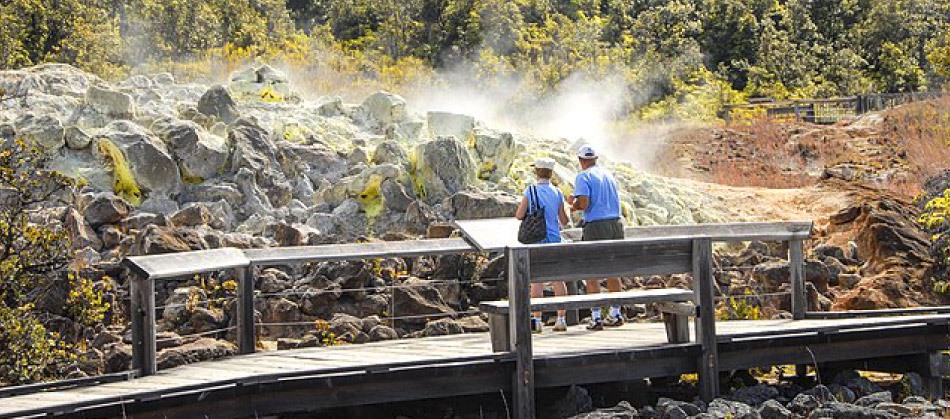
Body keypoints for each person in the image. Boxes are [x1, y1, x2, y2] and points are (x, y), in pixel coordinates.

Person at [567, 144, 625, 330]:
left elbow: (584, 203)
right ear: (595, 159)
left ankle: (596, 316)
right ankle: (616, 313)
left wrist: (572, 204)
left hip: (596, 224)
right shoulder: (608, 174)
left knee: (591, 271)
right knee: (614, 270)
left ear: (581, 161)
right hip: (616, 223)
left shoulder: (583, 176)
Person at [515, 157, 571, 333]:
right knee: (558, 280)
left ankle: (537, 321)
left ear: (536, 172)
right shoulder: (557, 192)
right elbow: (564, 220)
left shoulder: (530, 191)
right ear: (551, 173)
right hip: (554, 239)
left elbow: (519, 215)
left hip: (536, 241)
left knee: (536, 283)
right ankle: (561, 319)